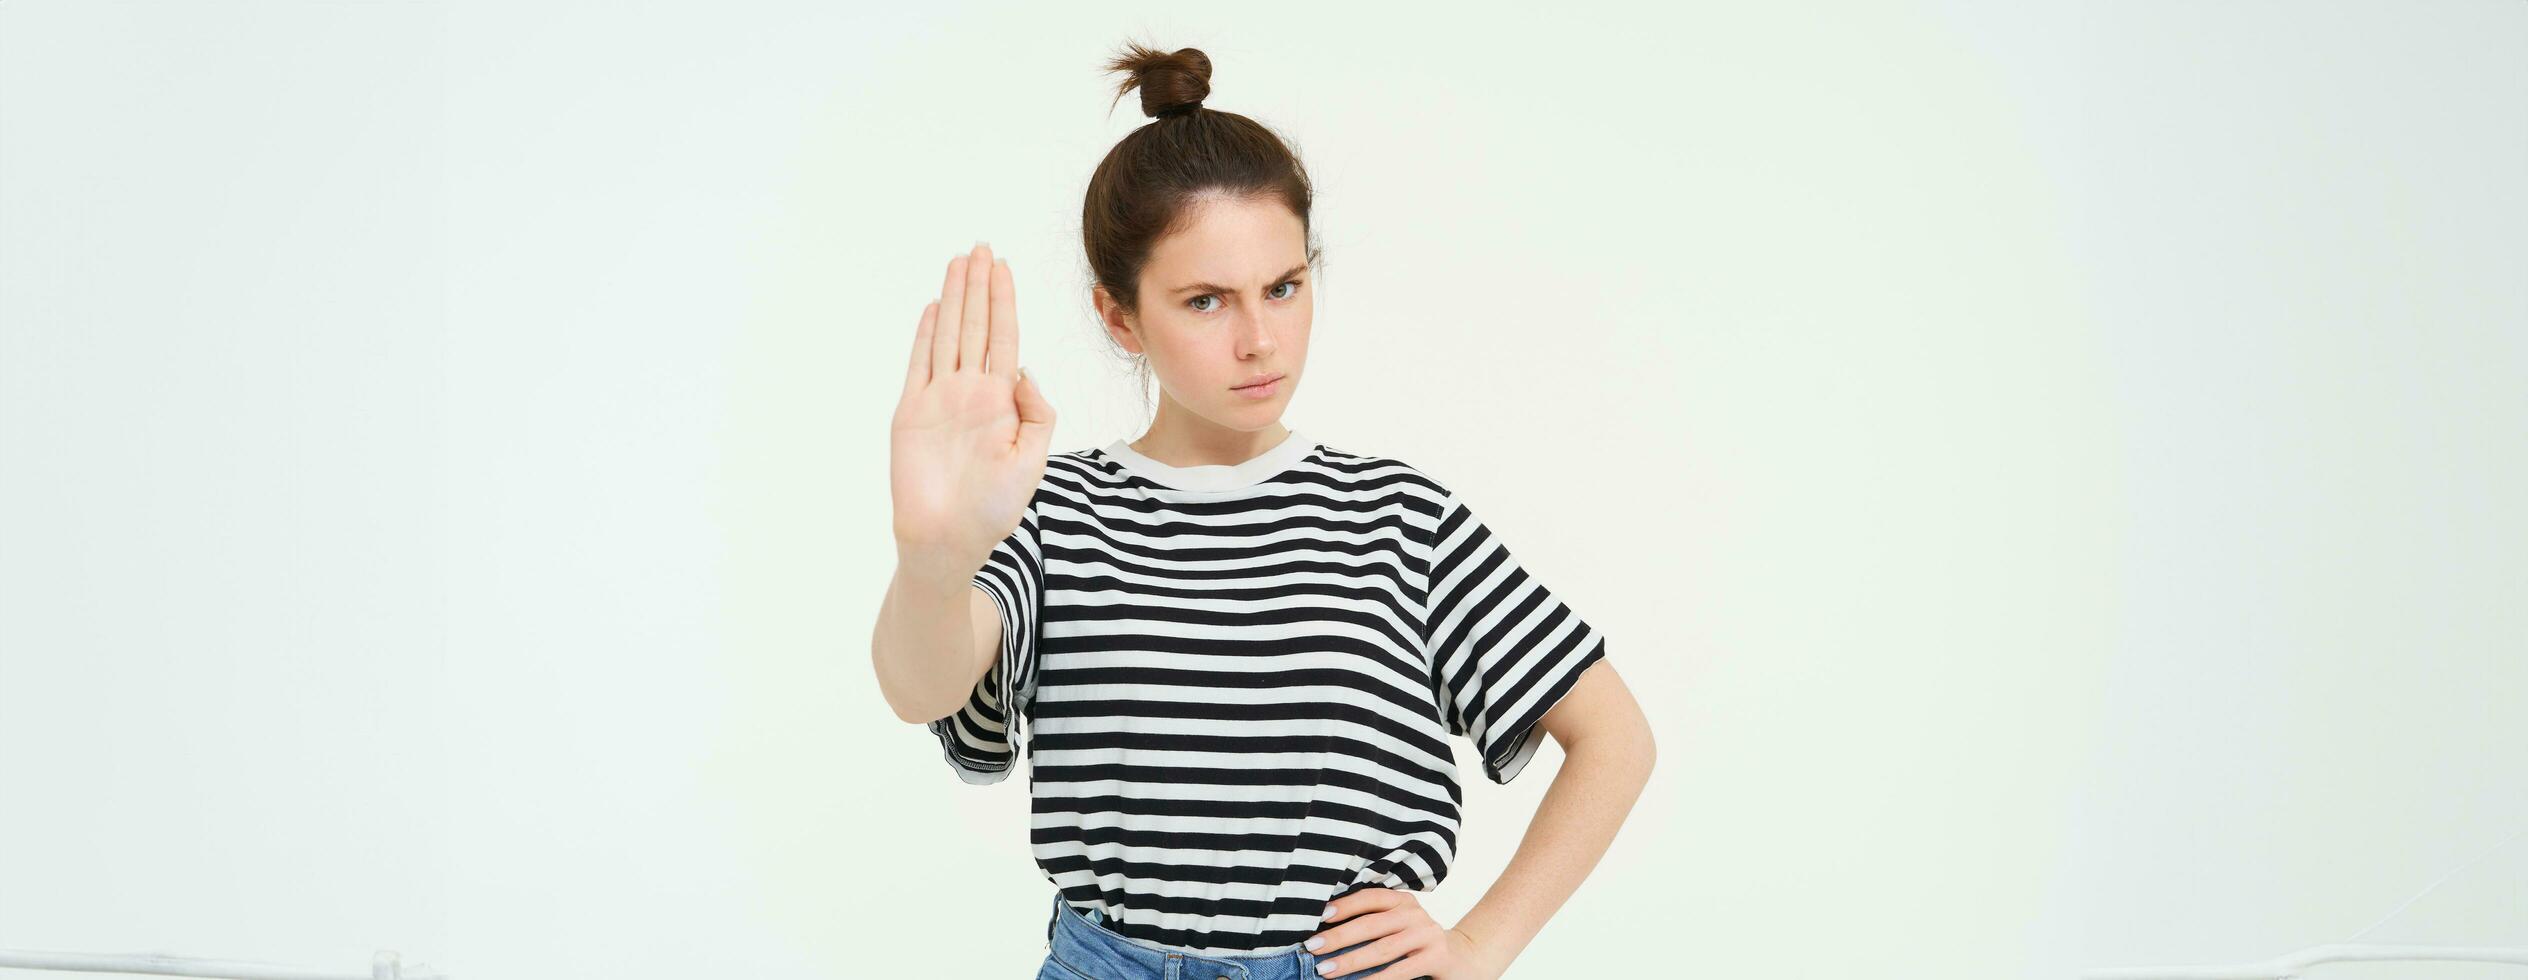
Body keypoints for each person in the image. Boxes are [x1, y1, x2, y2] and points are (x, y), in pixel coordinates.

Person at [871, 41, 1657, 980]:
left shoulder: (1396, 518)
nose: (1259, 339)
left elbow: (1613, 735)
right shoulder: (1056, 512)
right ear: (1120, 318)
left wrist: (1482, 942)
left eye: (1282, 288)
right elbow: (924, 689)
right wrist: (933, 557)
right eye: (1205, 301)